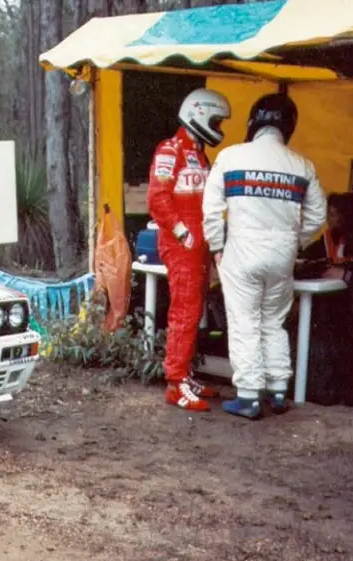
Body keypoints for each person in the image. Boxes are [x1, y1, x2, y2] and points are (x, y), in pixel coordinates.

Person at [201, 92, 328, 419]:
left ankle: (248, 397)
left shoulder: (230, 157)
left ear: (254, 122)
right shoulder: (301, 165)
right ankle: (277, 391)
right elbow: (317, 215)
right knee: (274, 323)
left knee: (245, 322)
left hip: (242, 250)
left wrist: (217, 246)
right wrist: (295, 241)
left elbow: (212, 210)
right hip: (282, 254)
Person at [147, 87, 231, 412]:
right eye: (216, 121)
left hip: (198, 245)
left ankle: (185, 375)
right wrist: (183, 233)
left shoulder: (198, 153)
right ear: (199, 114)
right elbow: (157, 198)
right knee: (184, 311)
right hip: (183, 245)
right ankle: (175, 383)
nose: (219, 128)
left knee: (194, 312)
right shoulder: (170, 150)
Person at [298, 192, 353, 406]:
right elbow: (310, 256)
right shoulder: (331, 239)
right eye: (329, 214)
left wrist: (346, 274)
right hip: (337, 309)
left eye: (335, 214)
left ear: (349, 215)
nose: (330, 219)